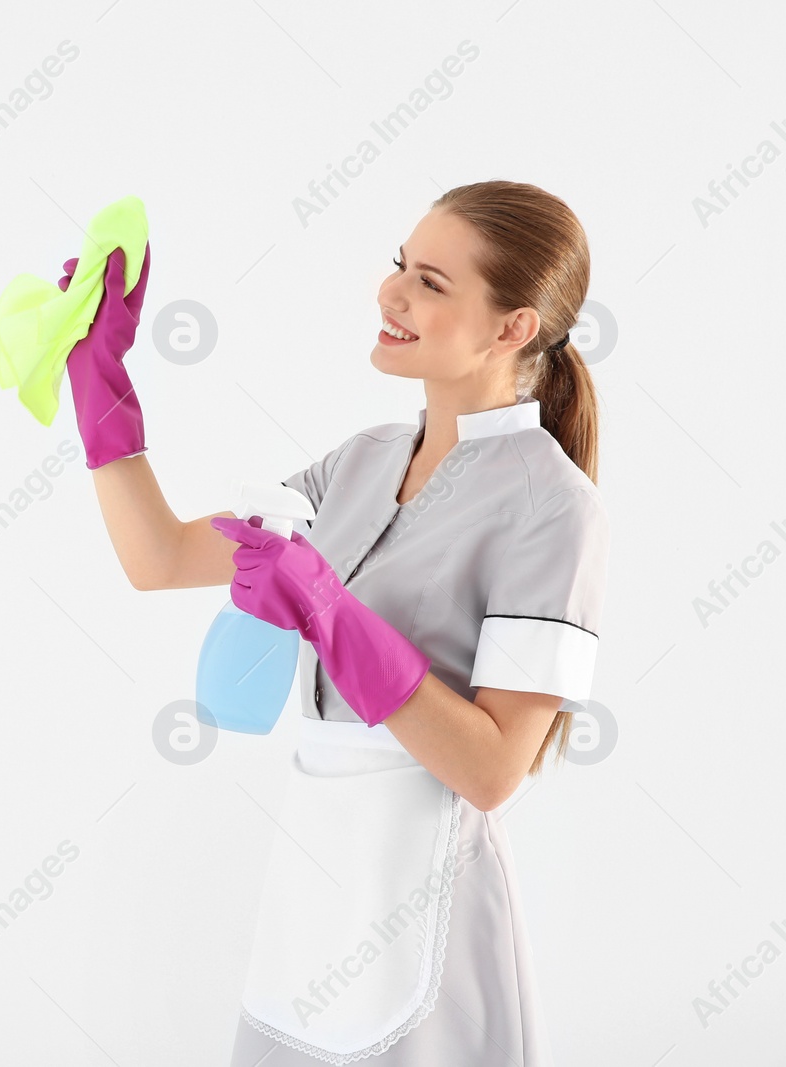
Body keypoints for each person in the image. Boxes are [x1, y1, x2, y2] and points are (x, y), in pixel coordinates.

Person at [61, 179, 609, 1065]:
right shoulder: (359, 465)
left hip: (429, 898)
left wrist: (330, 613)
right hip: (311, 893)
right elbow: (158, 559)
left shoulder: (553, 506)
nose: (390, 292)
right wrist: (101, 386)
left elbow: (494, 767)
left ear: (513, 328)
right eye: (401, 265)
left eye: (432, 283)